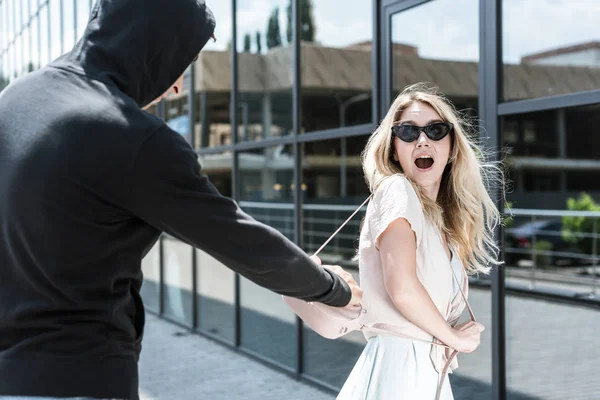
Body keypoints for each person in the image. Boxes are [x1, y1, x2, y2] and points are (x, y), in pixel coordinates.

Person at [0, 1, 361, 399]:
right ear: (153, 46)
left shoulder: (12, 99)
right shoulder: (130, 136)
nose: (177, 86)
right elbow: (240, 240)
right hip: (80, 376)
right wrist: (333, 289)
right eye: (181, 62)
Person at [336, 83, 502, 400]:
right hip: (400, 369)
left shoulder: (439, 221)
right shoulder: (398, 190)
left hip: (423, 369)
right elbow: (402, 287)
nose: (423, 140)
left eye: (436, 130)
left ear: (452, 146)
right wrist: (457, 339)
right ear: (394, 149)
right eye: (409, 132)